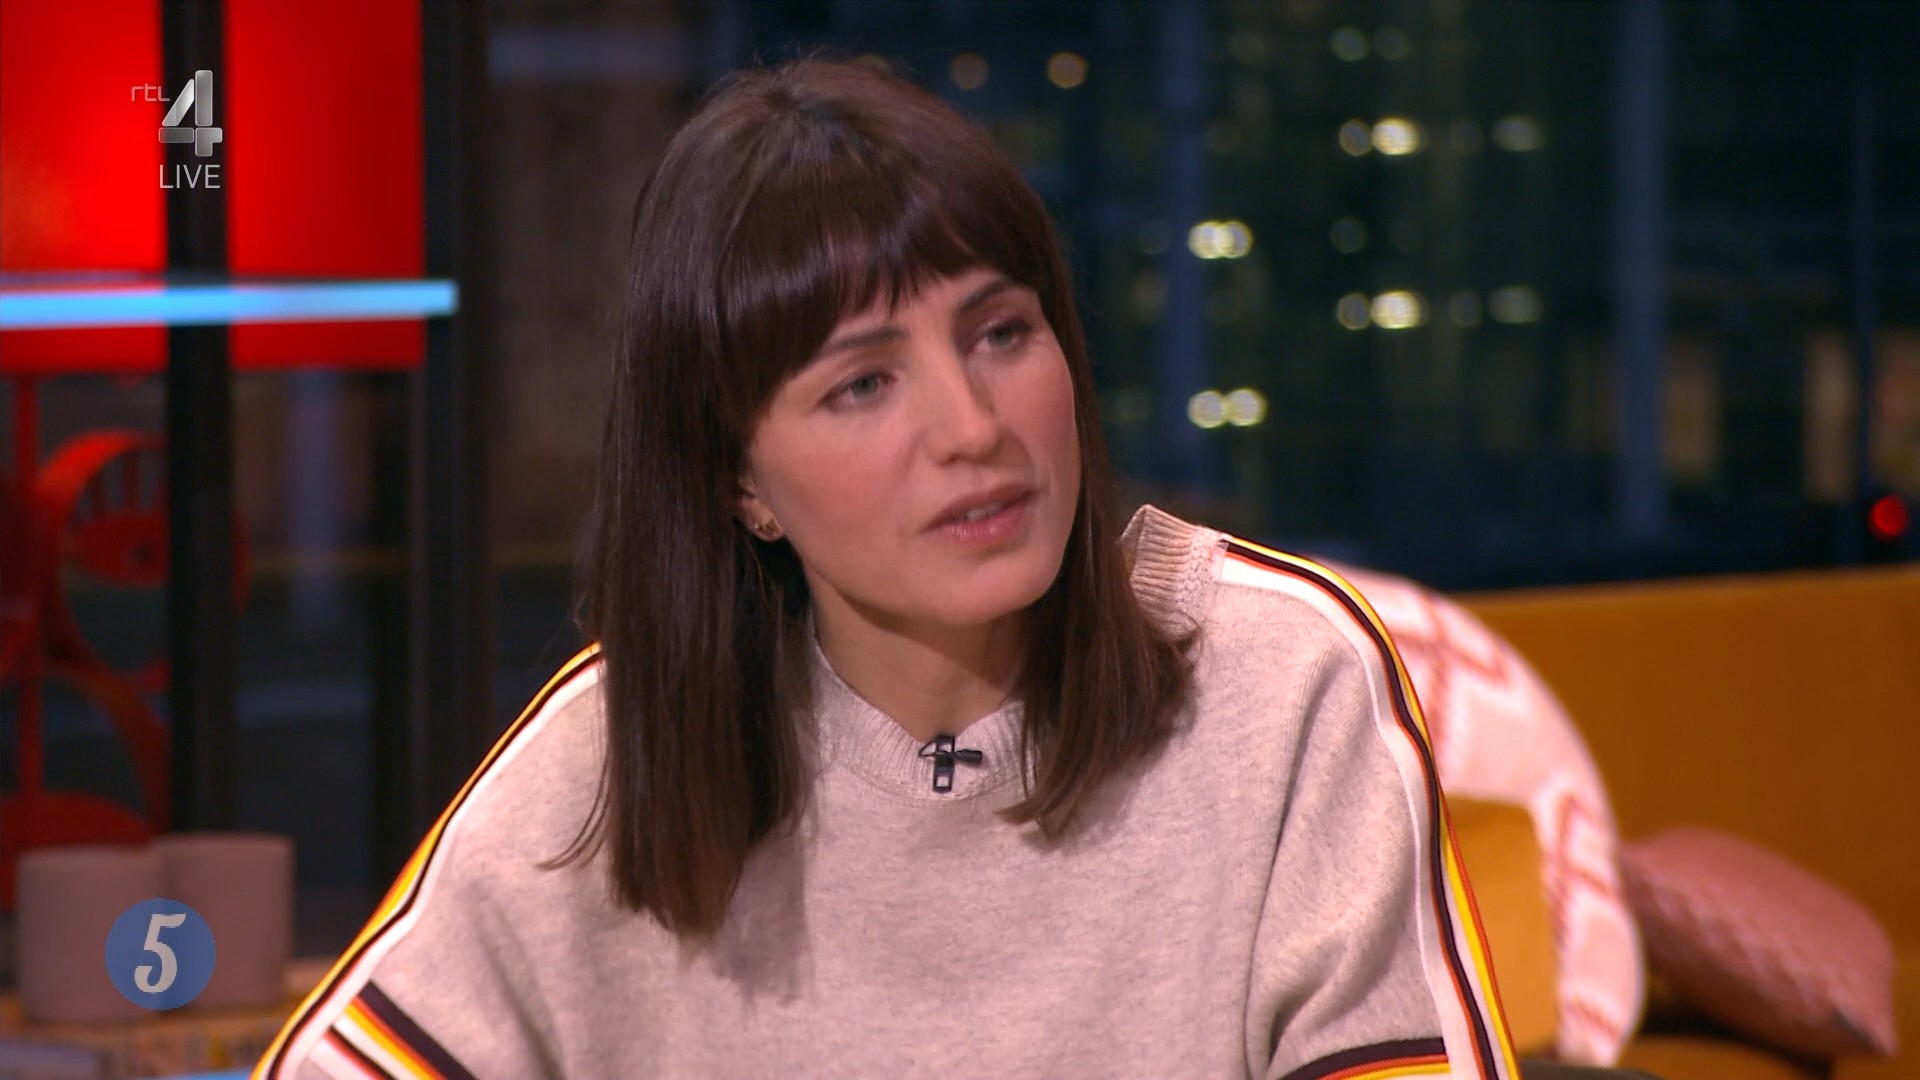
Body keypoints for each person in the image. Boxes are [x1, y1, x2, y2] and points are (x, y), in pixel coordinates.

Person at [253, 55, 1520, 1080]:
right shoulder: (613, 755)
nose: (974, 426)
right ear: (740, 481)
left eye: (1001, 332)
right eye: (863, 383)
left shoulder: (1278, 686)